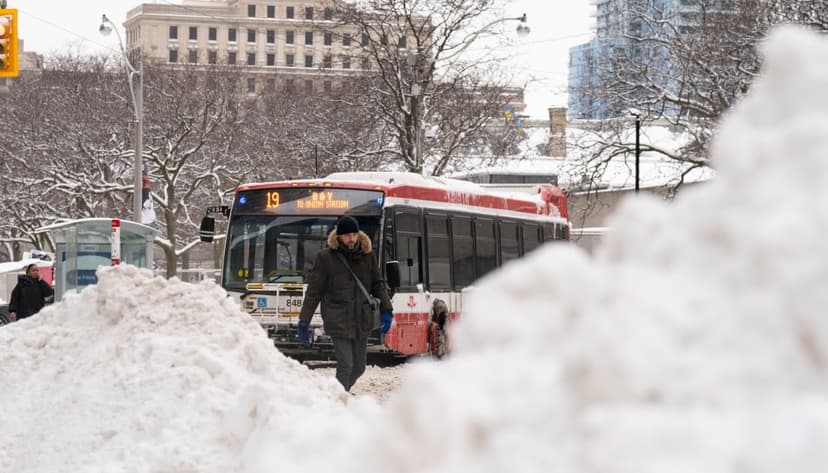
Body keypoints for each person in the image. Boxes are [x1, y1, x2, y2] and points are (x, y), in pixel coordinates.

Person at [298, 215, 394, 392]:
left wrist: (387, 309)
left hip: (361, 319)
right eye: (347, 235)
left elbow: (378, 284)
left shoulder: (368, 255)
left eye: (354, 234)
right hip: (338, 319)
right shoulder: (325, 258)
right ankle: (338, 402)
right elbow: (314, 292)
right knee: (346, 365)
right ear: (339, 236)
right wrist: (304, 320)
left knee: (360, 366)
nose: (351, 238)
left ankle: (339, 395)